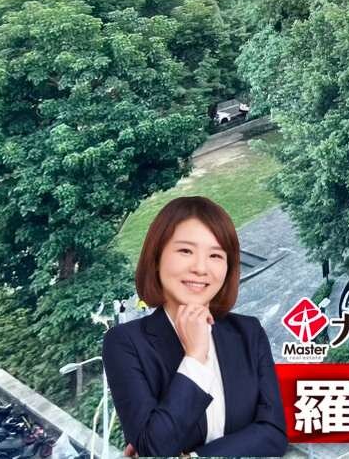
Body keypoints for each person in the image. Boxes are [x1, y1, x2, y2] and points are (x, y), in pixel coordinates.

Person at [104, 196, 287, 457]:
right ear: (156, 258)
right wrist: (195, 356)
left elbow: (274, 433)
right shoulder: (125, 342)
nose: (201, 268)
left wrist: (194, 457)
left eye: (215, 255)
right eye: (185, 251)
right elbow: (153, 446)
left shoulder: (248, 332)